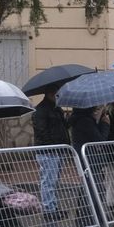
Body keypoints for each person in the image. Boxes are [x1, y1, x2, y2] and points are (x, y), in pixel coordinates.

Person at [31, 87, 70, 219]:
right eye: (57, 93)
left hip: (58, 150)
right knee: (48, 181)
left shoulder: (56, 109)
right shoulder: (40, 110)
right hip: (48, 151)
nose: (59, 95)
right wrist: (54, 144)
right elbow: (41, 131)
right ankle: (48, 210)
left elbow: (64, 127)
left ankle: (53, 206)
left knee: (53, 181)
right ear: (50, 93)